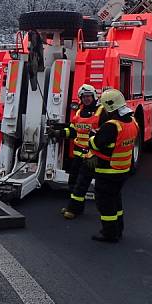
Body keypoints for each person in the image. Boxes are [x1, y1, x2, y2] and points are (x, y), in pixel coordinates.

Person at [86, 88, 139, 243]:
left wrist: (91, 137)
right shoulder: (132, 122)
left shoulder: (111, 126)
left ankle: (109, 233)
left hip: (107, 171)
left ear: (109, 107)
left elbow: (96, 145)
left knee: (105, 203)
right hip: (122, 170)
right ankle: (118, 229)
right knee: (116, 200)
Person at [51, 84, 105, 219]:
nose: (86, 99)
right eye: (84, 96)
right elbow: (73, 131)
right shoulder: (78, 113)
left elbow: (105, 135)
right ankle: (74, 207)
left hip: (92, 156)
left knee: (82, 184)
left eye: (89, 96)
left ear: (94, 96)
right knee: (73, 182)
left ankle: (73, 210)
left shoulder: (102, 112)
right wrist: (58, 132)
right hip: (78, 155)